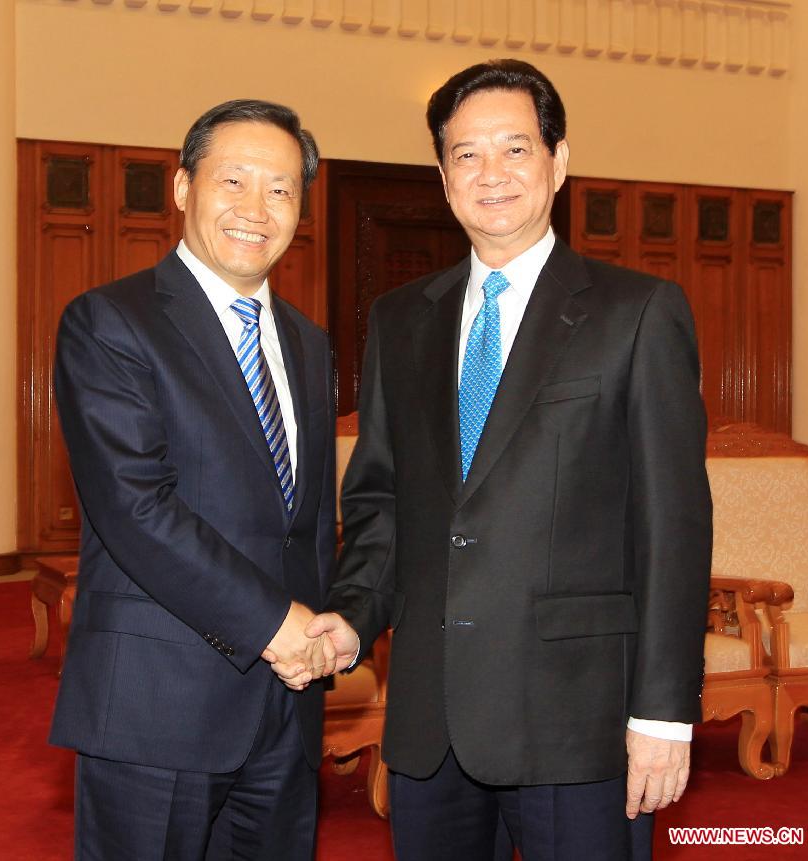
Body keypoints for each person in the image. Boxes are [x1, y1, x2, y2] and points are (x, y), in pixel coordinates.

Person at [290, 60, 713, 860]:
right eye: (467, 154)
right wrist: (351, 615)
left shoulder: (638, 313)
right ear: (442, 176)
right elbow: (381, 504)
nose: (491, 174)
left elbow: (674, 525)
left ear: (558, 161)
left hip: (579, 722)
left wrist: (662, 711)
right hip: (431, 721)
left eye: (515, 149)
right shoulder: (400, 321)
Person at [51, 99, 356, 860]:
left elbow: (309, 525)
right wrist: (276, 625)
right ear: (184, 187)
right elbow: (135, 510)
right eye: (235, 181)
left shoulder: (309, 344)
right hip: (159, 703)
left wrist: (328, 624)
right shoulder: (110, 322)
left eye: (282, 189)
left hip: (286, 710)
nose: (258, 209)